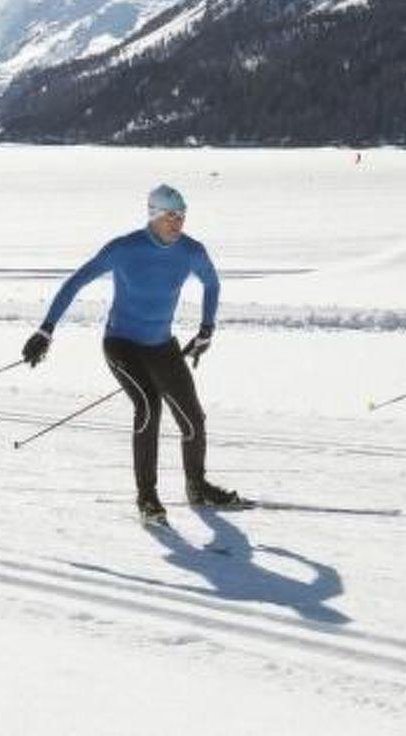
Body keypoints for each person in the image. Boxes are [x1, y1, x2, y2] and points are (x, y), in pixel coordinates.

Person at [22, 183, 247, 525]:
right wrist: (46, 330)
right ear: (154, 215)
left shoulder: (191, 251)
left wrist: (206, 330)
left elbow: (212, 284)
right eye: (171, 215)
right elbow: (76, 281)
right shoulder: (124, 248)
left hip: (162, 345)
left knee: (193, 418)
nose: (178, 222)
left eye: (182, 215)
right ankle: (147, 497)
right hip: (122, 344)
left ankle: (197, 487)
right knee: (148, 405)